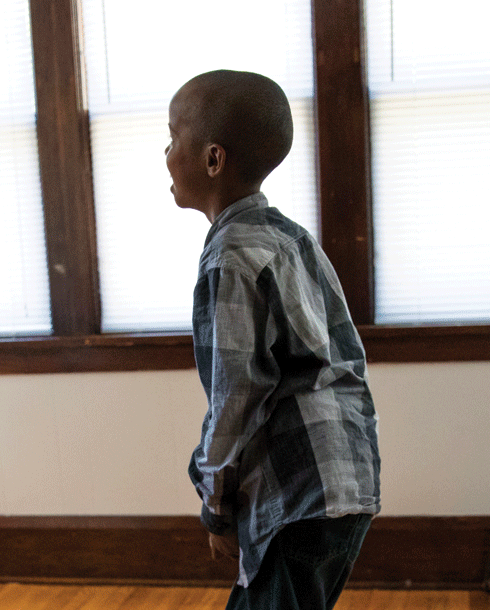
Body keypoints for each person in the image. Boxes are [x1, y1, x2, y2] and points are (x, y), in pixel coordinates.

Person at [165, 69, 381, 610]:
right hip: (347, 481)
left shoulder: (229, 257)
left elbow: (235, 398)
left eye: (172, 137)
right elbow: (344, 357)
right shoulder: (291, 237)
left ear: (213, 159)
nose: (165, 152)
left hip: (298, 492)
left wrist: (215, 505)